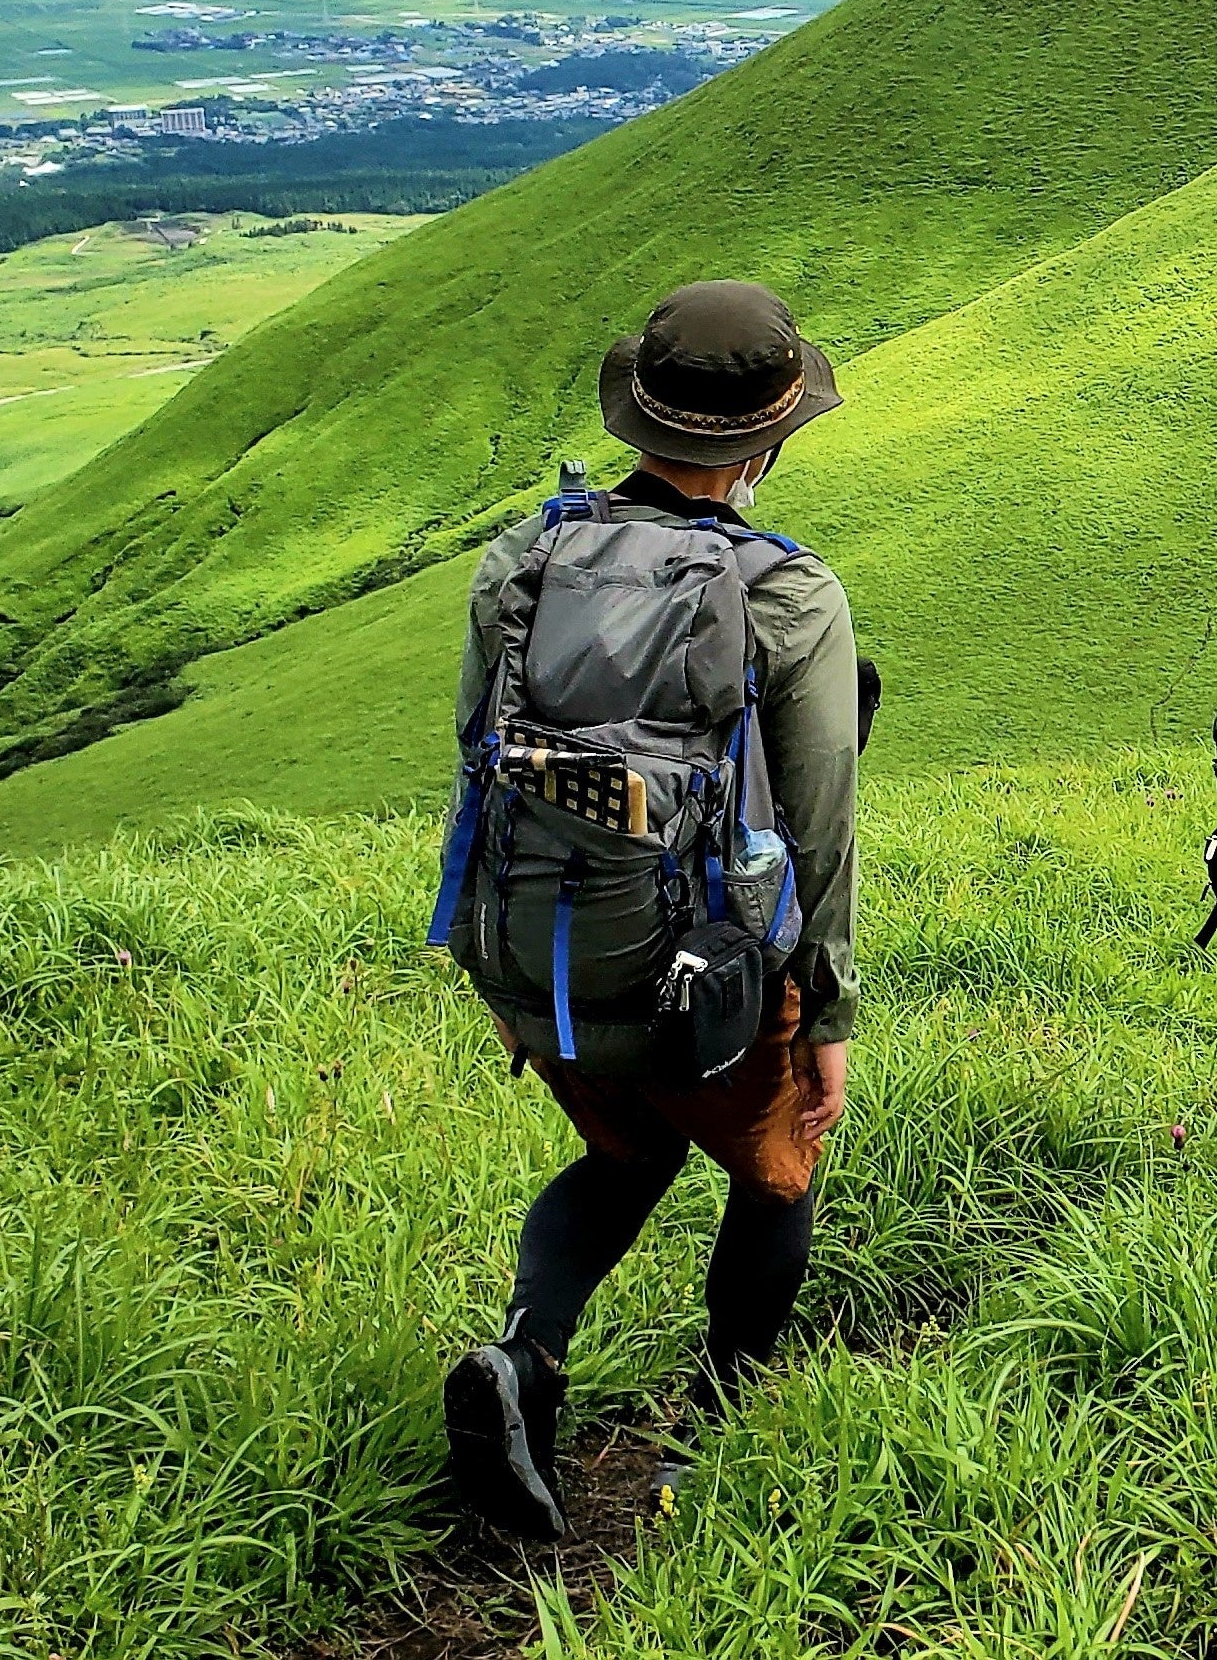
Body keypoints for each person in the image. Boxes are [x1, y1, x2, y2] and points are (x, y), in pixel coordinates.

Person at [440, 281, 864, 1540]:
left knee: (626, 1150)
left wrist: (507, 954)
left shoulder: (524, 556)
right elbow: (818, 820)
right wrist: (824, 1012)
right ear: (767, 441)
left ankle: (524, 1353)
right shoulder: (787, 595)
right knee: (777, 1173)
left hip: (538, 952)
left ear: (636, 420)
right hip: (707, 975)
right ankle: (715, 1436)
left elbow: (478, 756)